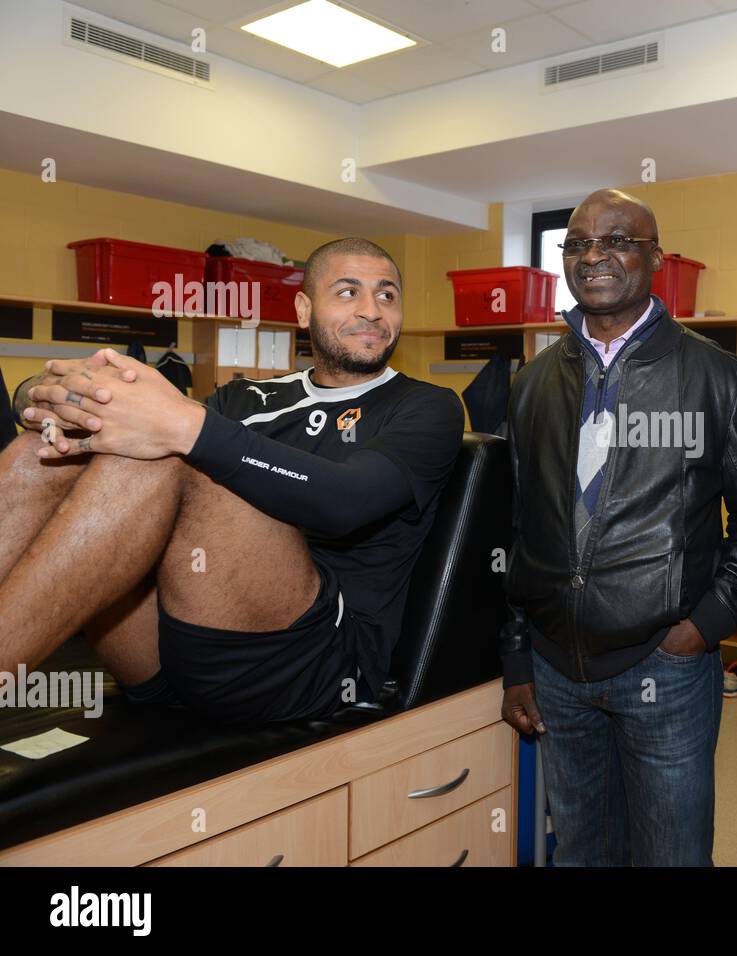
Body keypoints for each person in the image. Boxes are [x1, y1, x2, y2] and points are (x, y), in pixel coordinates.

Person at [0, 238, 464, 724]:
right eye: (348, 292)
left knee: (172, 449)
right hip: (169, 651)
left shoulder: (427, 407)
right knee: (43, 452)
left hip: (309, 661)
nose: (371, 310)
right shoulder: (246, 397)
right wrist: (36, 394)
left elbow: (346, 503)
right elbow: (119, 425)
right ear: (304, 310)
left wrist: (185, 426)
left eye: (387, 296)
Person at [498, 188, 737, 866]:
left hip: (665, 662)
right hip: (555, 666)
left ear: (655, 257)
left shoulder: (714, 374)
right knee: (582, 850)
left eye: (618, 239)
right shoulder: (533, 382)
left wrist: (709, 623)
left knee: (672, 854)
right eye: (576, 243)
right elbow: (518, 522)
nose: (593, 255)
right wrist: (518, 655)